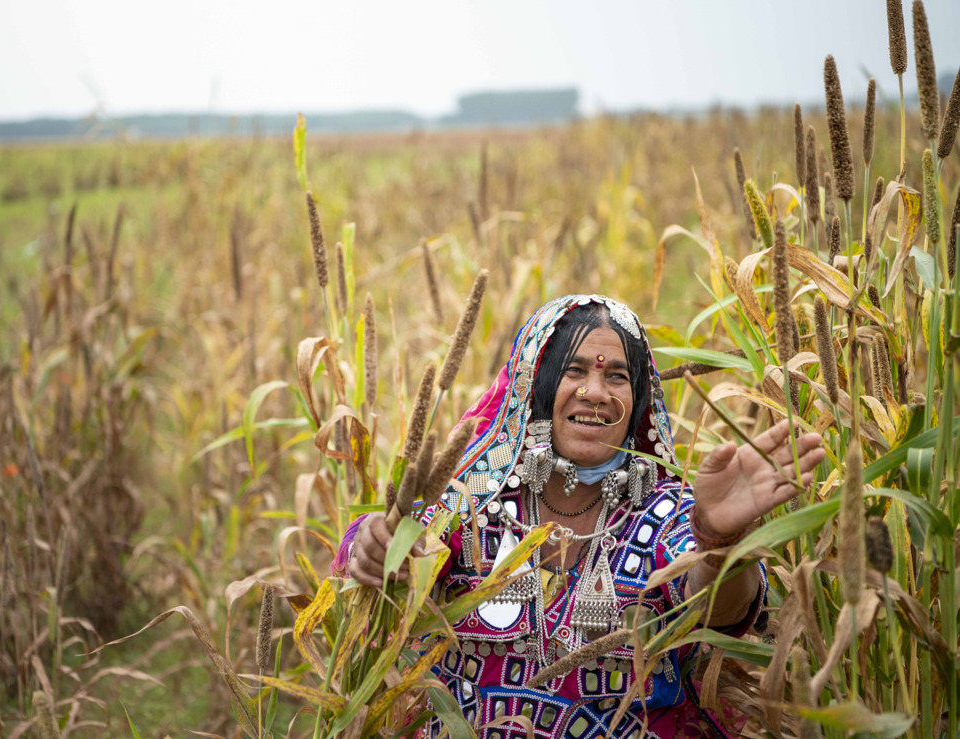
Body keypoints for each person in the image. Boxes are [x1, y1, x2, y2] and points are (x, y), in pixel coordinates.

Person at [332, 294, 825, 738]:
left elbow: (719, 611)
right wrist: (380, 550)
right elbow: (393, 556)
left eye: (616, 376)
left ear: (637, 403)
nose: (595, 392)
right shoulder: (470, 505)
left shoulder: (671, 510)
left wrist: (721, 540)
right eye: (574, 370)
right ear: (537, 387)